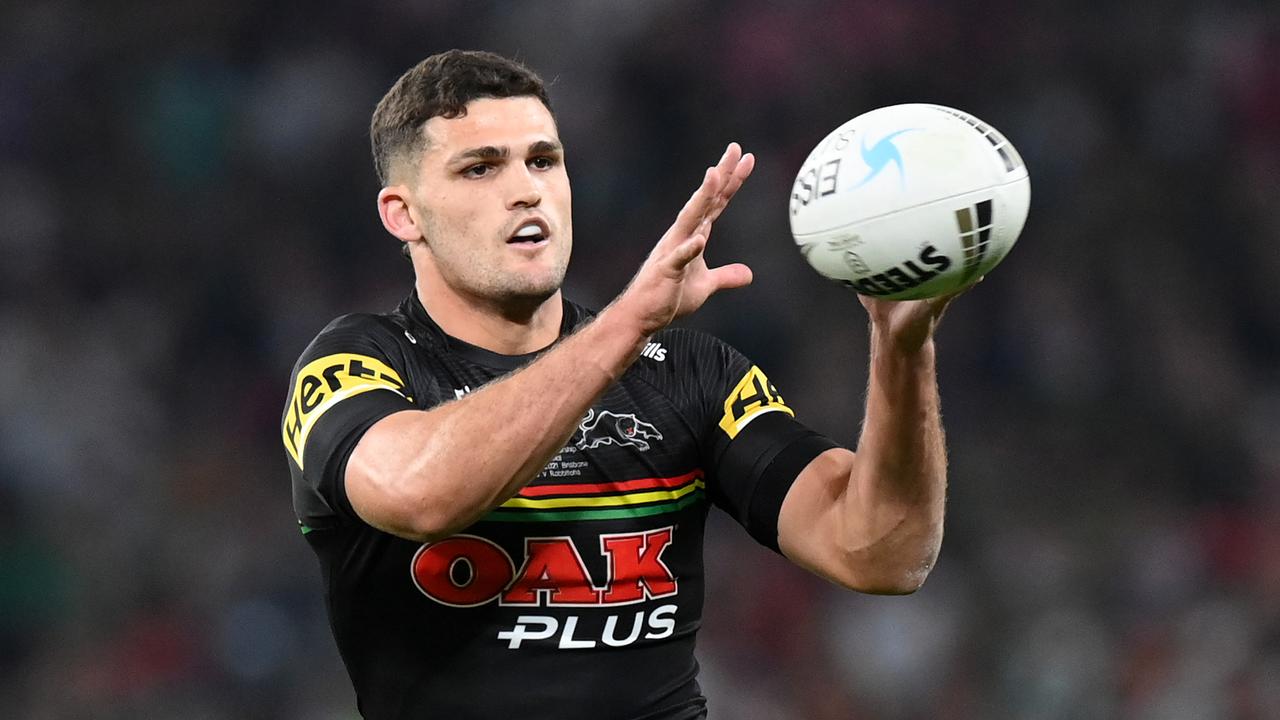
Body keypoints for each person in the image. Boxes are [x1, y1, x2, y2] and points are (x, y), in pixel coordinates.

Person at [282, 49, 955, 719]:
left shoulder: (687, 374)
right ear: (404, 215)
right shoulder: (358, 363)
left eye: (543, 160)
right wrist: (629, 322)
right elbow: (420, 494)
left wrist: (903, 349)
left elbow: (884, 554)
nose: (526, 189)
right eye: (480, 167)